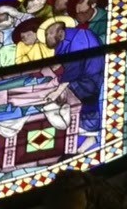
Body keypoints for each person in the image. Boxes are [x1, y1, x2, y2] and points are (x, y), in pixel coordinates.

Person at [44, 16, 104, 152]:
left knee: (76, 100)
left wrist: (58, 91)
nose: (47, 37)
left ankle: (91, 131)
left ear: (61, 32)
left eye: (50, 33)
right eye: (46, 34)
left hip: (92, 79)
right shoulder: (63, 44)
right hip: (82, 79)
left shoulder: (79, 37)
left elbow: (75, 67)